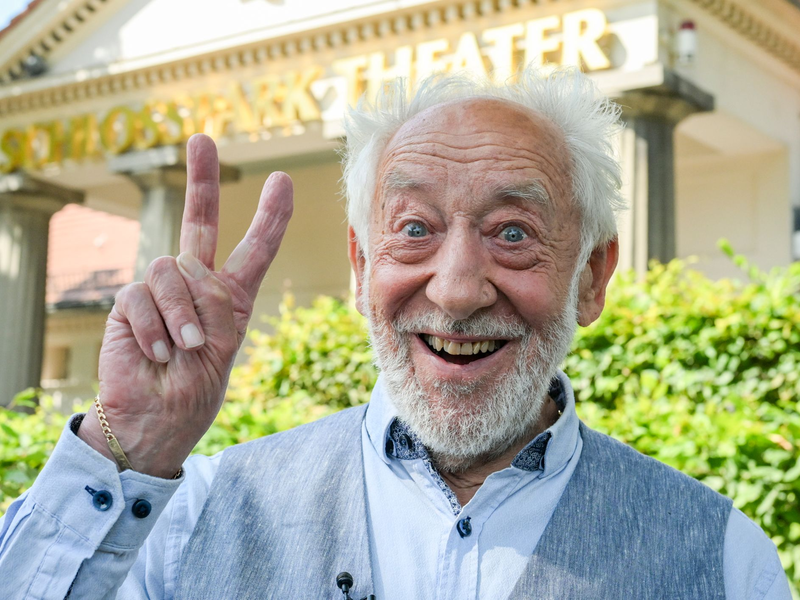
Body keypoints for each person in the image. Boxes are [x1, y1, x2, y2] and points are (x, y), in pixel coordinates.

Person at [0, 69, 791, 600]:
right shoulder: (192, 515)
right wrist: (128, 443)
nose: (454, 288)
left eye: (513, 233)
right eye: (414, 228)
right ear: (358, 264)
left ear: (590, 277)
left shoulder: (725, 561)